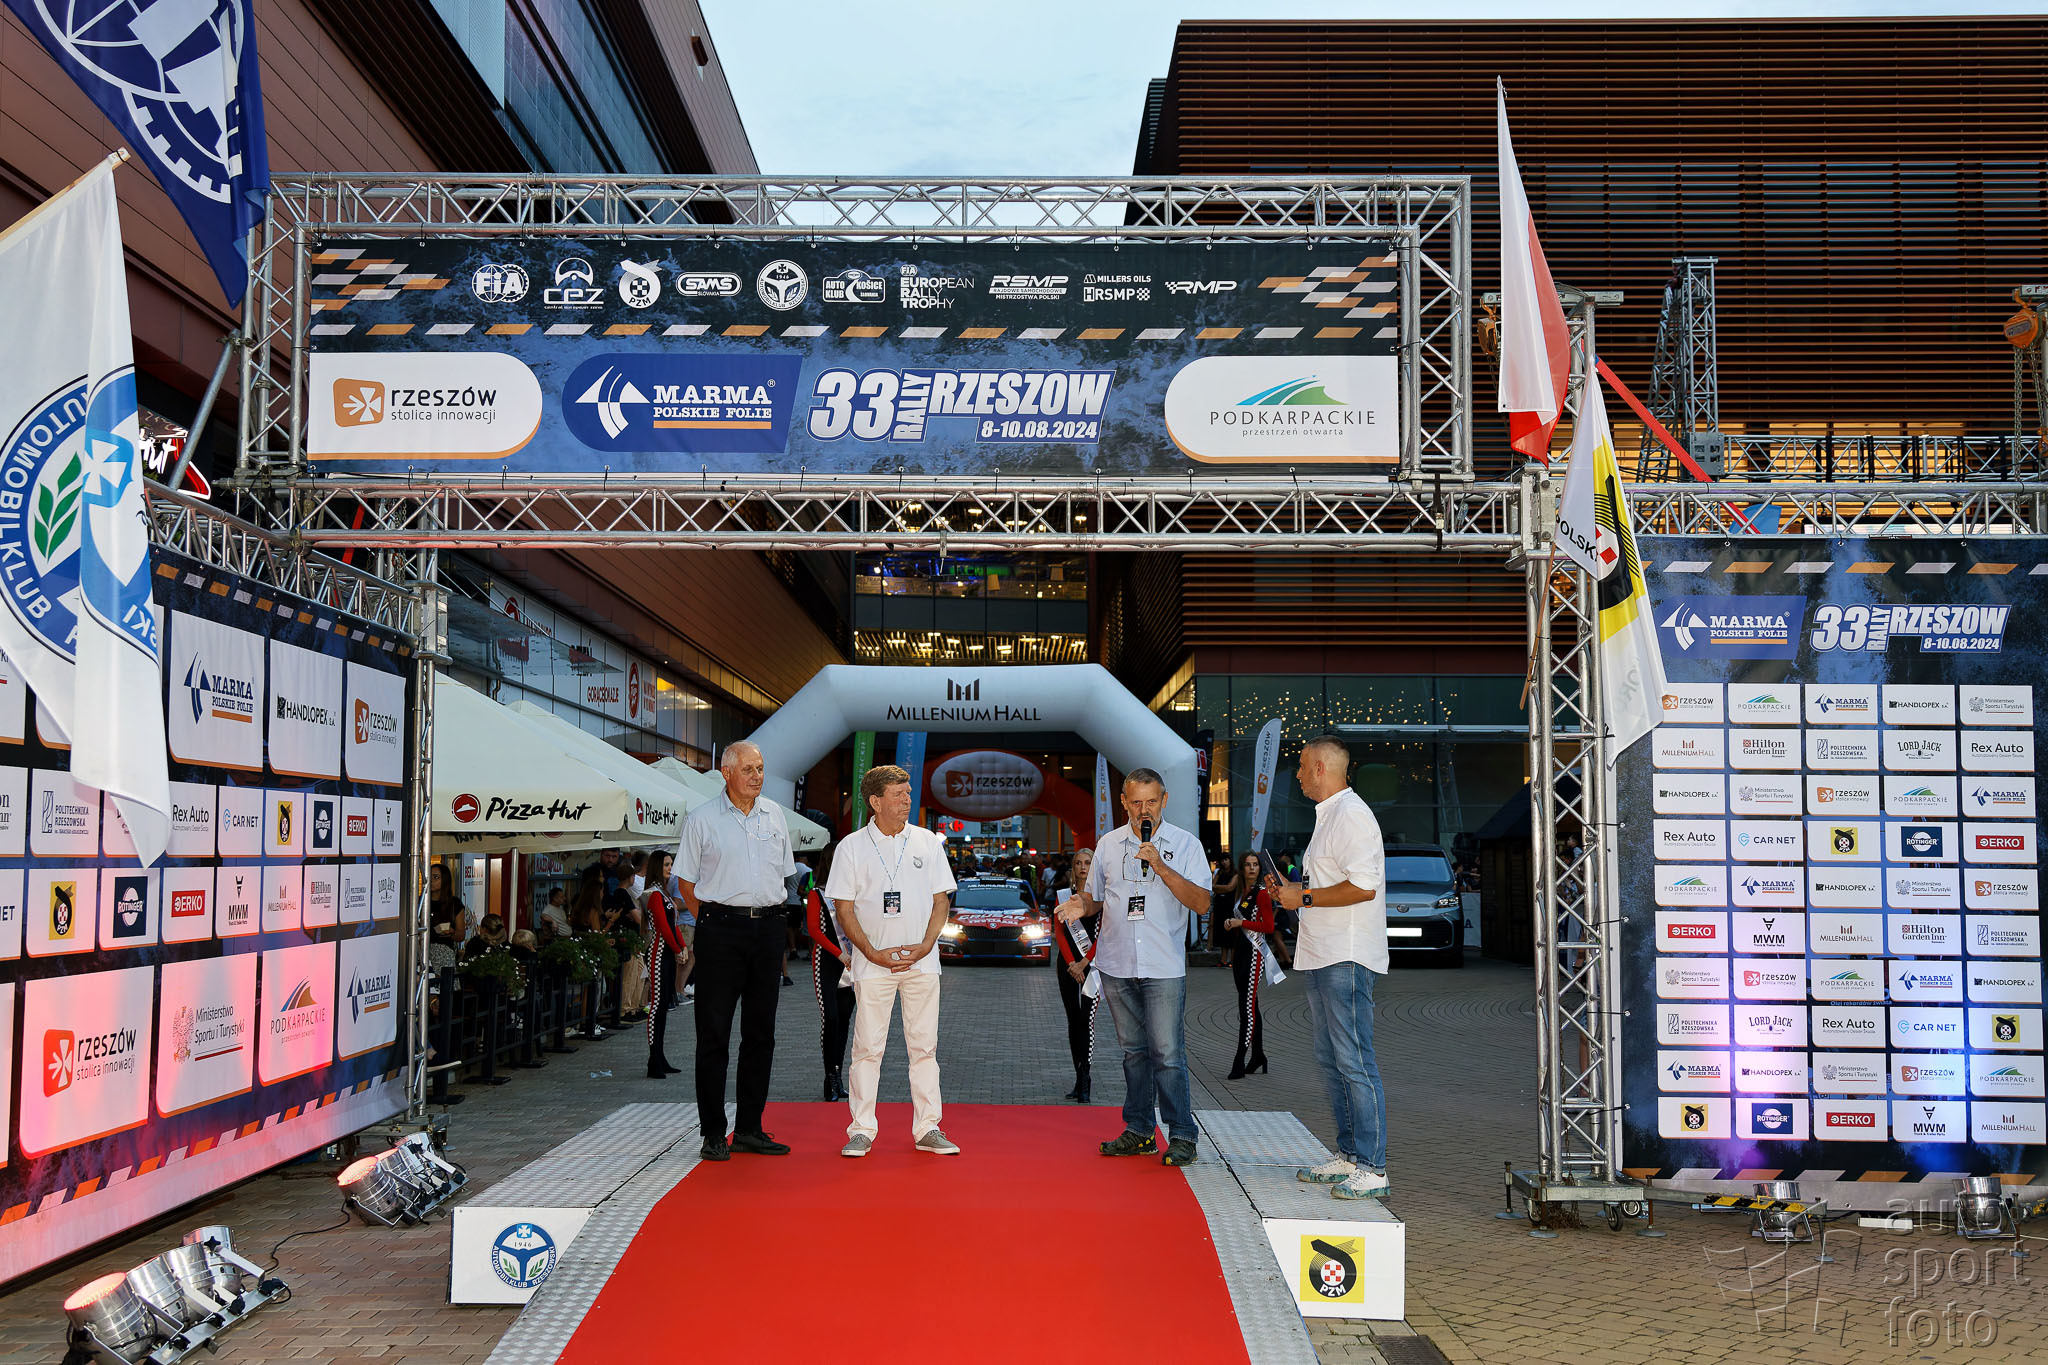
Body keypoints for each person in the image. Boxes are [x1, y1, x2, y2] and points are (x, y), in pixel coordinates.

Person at [1057, 767, 1210, 1167]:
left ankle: (1182, 1135)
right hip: (1117, 963)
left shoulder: (1186, 844)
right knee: (1133, 1053)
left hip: (1163, 965)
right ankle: (1140, 1131)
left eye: (1152, 801)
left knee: (1168, 1053)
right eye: (1137, 802)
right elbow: (1096, 899)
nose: (1145, 810)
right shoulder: (1108, 845)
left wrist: (1160, 866)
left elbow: (1201, 903)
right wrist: (1080, 905)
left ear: (1164, 801)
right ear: (1124, 802)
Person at [1268, 736, 1390, 1201]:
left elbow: (1364, 887)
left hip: (1346, 954)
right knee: (1333, 1059)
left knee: (1354, 1060)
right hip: (1323, 952)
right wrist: (1293, 892)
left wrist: (1302, 895)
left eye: (1302, 766)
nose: (1298, 774)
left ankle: (1373, 1167)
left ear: (1321, 768)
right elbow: (1330, 883)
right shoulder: (1331, 816)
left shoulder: (1352, 814)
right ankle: (1351, 1156)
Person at [827, 765, 959, 1157]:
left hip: (922, 963)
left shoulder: (927, 842)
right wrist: (871, 953)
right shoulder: (851, 847)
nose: (907, 800)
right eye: (899, 794)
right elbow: (843, 910)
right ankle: (861, 1130)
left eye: (908, 793)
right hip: (872, 965)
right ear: (875, 801)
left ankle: (928, 1128)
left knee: (924, 1047)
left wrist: (926, 945)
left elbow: (941, 901)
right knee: (867, 1048)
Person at [676, 741, 799, 1161]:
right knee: (714, 1033)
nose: (757, 776)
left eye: (760, 768)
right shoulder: (702, 819)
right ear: (726, 772)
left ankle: (749, 1128)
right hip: (721, 929)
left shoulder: (775, 815)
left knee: (761, 1033)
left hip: (768, 928)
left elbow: (784, 874)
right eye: (748, 769)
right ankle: (713, 1132)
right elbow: (686, 884)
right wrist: (713, 922)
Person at [1051, 846, 1099, 1102]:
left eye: (1087, 863)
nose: (1082, 867)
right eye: (1078, 863)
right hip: (1067, 965)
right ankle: (1078, 1077)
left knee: (1086, 1020)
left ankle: (1086, 1079)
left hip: (1093, 966)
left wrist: (1084, 963)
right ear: (1073, 868)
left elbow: (1105, 934)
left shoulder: (1100, 898)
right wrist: (1072, 963)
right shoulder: (1063, 896)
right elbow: (1059, 932)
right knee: (1073, 1020)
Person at [807, 843, 854, 1101]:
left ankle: (838, 1075)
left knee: (844, 1022)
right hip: (827, 962)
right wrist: (839, 953)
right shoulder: (817, 893)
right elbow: (814, 930)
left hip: (851, 962)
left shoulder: (852, 891)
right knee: (831, 1019)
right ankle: (829, 1078)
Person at [1222, 853, 1275, 1079]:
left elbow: (1269, 927)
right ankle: (1258, 1055)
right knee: (1251, 1005)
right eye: (1247, 865)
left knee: (1247, 1010)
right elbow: (1242, 921)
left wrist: (1240, 922)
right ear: (1242, 868)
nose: (1252, 868)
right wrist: (1231, 922)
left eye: (1255, 865)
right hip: (1240, 953)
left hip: (1254, 955)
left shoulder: (1262, 894)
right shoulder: (1242, 893)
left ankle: (1239, 1060)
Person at [643, 850, 688, 1080]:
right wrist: (679, 948)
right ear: (657, 867)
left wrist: (682, 946)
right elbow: (663, 927)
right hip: (659, 954)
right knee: (657, 1006)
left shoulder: (664, 894)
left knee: (663, 1007)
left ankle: (660, 1057)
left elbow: (674, 925)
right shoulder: (653, 894)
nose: (670, 868)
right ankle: (654, 1059)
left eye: (671, 864)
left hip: (667, 953)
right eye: (666, 865)